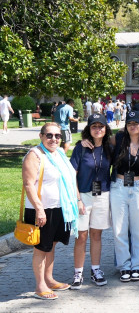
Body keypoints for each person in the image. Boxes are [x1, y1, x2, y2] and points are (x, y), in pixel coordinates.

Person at [22, 123, 79, 299]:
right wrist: (39, 209)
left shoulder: (60, 153)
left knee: (52, 244)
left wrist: (77, 200)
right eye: (49, 135)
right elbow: (28, 185)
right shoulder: (35, 155)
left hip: (60, 207)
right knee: (41, 248)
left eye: (57, 136)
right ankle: (40, 286)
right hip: (41, 209)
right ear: (41, 136)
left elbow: (70, 178)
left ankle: (49, 279)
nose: (53, 139)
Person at [69, 114, 112, 288]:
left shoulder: (110, 146)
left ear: (105, 128)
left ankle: (95, 270)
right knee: (81, 235)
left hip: (103, 195)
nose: (98, 129)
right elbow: (72, 175)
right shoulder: (81, 147)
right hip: (84, 196)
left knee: (96, 234)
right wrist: (77, 199)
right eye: (94, 126)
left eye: (101, 126)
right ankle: (78, 273)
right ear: (88, 129)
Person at [108, 111, 139, 282]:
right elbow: (101, 140)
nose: (133, 126)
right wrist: (84, 141)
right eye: (129, 123)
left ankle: (137, 264)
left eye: (136, 122)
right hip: (118, 187)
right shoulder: (119, 139)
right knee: (119, 229)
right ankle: (124, 265)